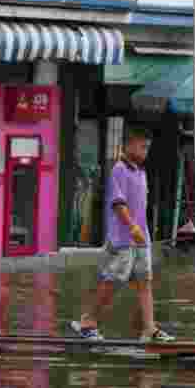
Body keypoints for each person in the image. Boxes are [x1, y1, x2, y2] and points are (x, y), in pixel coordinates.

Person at [72, 127, 174, 342]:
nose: (145, 151)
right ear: (128, 145)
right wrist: (133, 227)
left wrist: (142, 232)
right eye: (142, 146)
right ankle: (87, 321)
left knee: (145, 281)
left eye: (148, 147)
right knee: (114, 280)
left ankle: (149, 328)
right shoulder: (119, 169)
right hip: (123, 238)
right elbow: (118, 204)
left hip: (141, 239)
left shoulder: (141, 172)